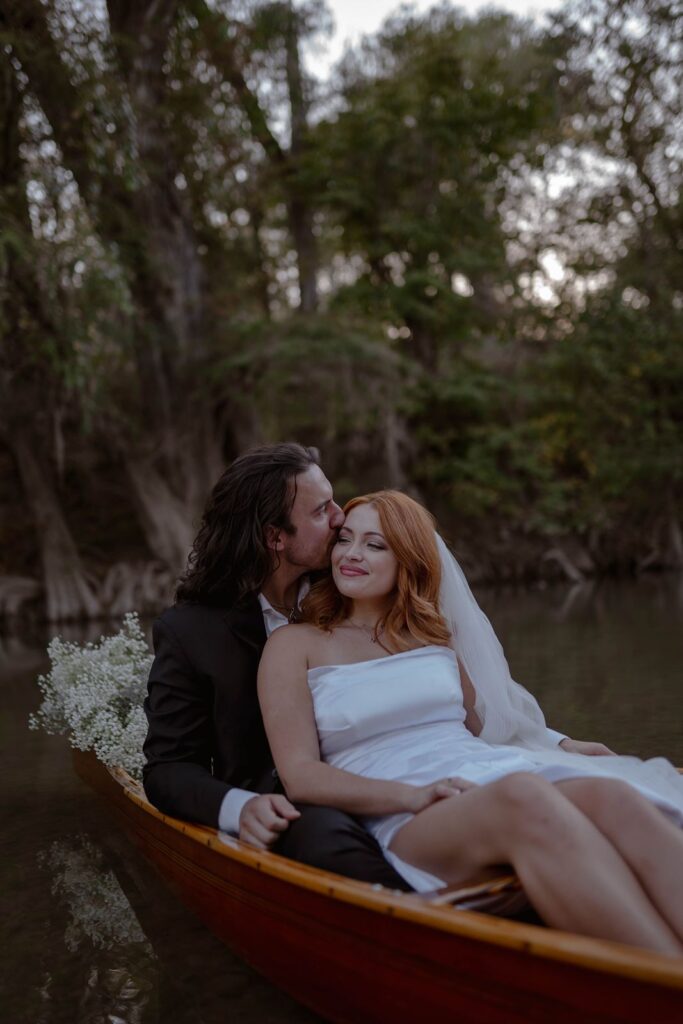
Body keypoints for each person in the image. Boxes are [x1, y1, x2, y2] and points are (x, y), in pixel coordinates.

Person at [258, 490, 683, 954]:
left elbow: (494, 723)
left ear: (408, 560)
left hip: (482, 774)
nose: (352, 555)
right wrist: (411, 796)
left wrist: (558, 743)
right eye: (345, 540)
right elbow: (300, 776)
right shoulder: (293, 645)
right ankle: (665, 981)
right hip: (404, 807)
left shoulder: (431, 637)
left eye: (375, 545)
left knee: (612, 794)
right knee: (523, 797)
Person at [142, 443, 409, 887]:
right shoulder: (192, 634)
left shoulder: (358, 587)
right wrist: (240, 807)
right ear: (275, 537)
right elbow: (168, 768)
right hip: (299, 808)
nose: (342, 516)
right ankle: (427, 923)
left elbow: (436, 675)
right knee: (325, 836)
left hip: (397, 772)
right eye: (322, 510)